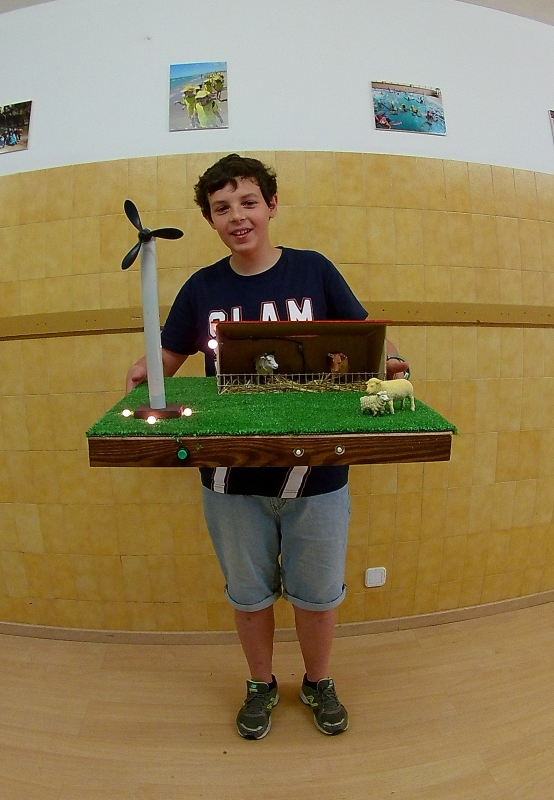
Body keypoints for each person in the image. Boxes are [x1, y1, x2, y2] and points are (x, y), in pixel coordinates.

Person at [126, 154, 409, 740]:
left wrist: (393, 362)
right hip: (230, 480)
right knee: (249, 596)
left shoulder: (314, 270)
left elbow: (366, 341)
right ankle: (260, 683)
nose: (237, 216)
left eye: (248, 202)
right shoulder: (201, 287)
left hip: (318, 476)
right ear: (209, 219)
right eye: (221, 208)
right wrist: (147, 371)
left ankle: (317, 680)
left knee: (318, 595)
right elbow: (169, 356)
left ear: (272, 205)